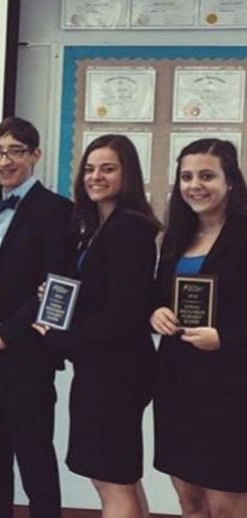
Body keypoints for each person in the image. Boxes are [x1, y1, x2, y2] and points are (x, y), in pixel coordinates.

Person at [33, 135, 159, 517]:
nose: (95, 177)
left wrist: (63, 341)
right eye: (89, 169)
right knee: (119, 477)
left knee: (110, 479)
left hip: (117, 370)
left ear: (128, 174)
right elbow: (99, 295)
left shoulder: (130, 228)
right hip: (103, 368)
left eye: (107, 168)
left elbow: (126, 310)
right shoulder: (94, 227)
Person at [0, 117, 73, 518]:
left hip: (27, 355)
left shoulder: (58, 211)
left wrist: (8, 334)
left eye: (15, 151)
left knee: (35, 456)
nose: (5, 161)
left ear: (35, 155)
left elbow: (54, 285)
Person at [150, 138, 247, 517]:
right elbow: (157, 294)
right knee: (189, 502)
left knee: (226, 504)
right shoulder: (177, 236)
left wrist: (226, 338)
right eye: (187, 176)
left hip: (230, 389)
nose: (195, 185)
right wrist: (155, 311)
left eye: (207, 176)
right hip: (177, 384)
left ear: (231, 182)